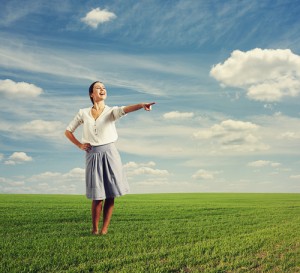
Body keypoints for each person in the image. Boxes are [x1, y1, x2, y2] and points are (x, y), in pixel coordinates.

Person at [65, 81, 155, 235]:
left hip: (110, 154)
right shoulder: (83, 113)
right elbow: (68, 131)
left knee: (110, 194)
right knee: (97, 196)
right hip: (92, 155)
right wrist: (80, 145)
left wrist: (141, 105)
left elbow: (125, 109)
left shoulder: (111, 111)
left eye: (104, 88)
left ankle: (104, 229)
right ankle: (94, 229)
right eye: (98, 88)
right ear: (91, 94)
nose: (102, 89)